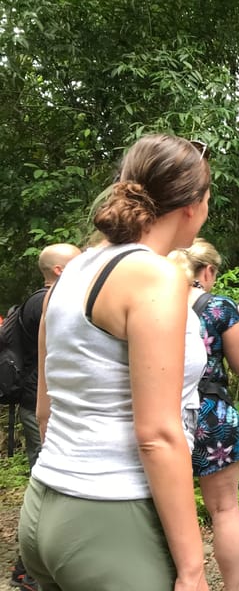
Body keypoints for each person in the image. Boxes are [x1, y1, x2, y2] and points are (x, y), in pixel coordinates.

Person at [17, 134, 213, 591]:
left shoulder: (74, 271)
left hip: (46, 502)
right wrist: (193, 569)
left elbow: (46, 410)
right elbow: (158, 435)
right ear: (192, 205)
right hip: (110, 517)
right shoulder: (155, 276)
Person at [168, 238, 239, 591]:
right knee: (224, 509)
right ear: (206, 271)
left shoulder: (154, 298)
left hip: (163, 412)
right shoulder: (219, 307)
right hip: (211, 414)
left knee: (167, 509)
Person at [10, 243, 81, 590]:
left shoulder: (51, 299)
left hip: (51, 403)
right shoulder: (46, 302)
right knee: (49, 482)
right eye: (79, 260)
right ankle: (28, 570)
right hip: (42, 405)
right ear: (59, 270)